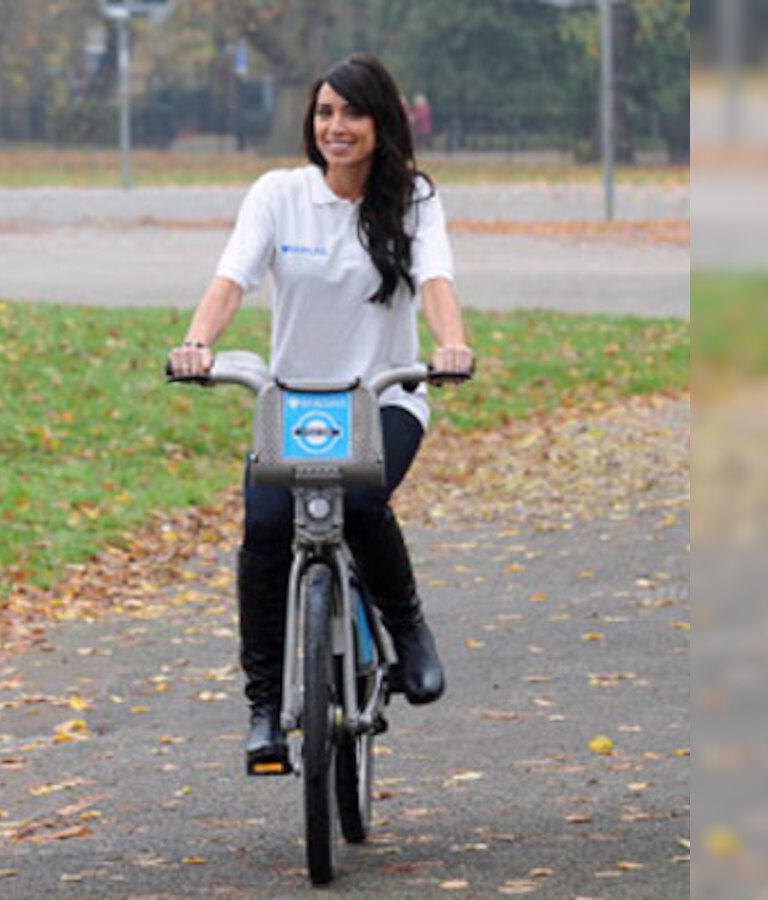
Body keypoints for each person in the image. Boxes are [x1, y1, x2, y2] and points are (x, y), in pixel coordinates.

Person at [169, 54, 476, 770]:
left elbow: (435, 281)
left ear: (382, 123)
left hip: (383, 394)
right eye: (325, 113)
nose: (336, 127)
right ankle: (263, 711)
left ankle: (410, 634)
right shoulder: (279, 195)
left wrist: (452, 343)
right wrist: (196, 343)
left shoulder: (413, 200)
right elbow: (231, 278)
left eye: (352, 113)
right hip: (295, 401)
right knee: (267, 530)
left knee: (363, 498)